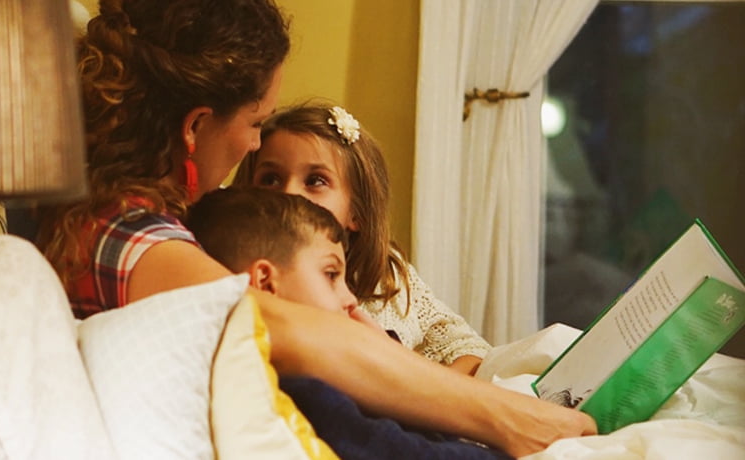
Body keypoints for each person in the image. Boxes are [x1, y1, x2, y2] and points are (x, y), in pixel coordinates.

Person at [36, 1, 596, 457]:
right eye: (255, 123)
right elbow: (298, 335)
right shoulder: (125, 233)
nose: (254, 146)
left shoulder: (139, 216)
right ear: (196, 126)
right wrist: (509, 419)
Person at [186, 186, 512, 459]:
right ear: (266, 283)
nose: (350, 298)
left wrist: (388, 355)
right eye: (330, 275)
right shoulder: (302, 390)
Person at [232, 101, 488, 375]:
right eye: (270, 179)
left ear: (357, 213)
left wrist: (423, 382)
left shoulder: (388, 276)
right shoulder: (238, 275)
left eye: (315, 181)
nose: (289, 193)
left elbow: (470, 350)